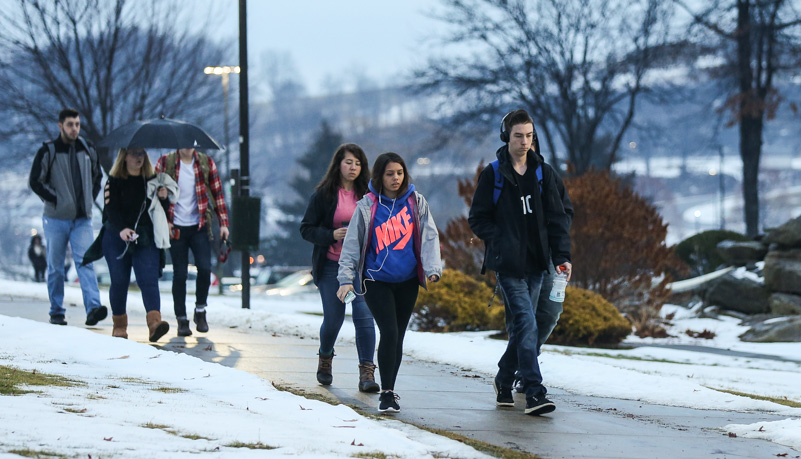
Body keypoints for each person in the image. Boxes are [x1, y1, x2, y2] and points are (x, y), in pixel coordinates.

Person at [468, 109, 572, 416]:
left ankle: (503, 377)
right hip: (508, 265)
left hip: (537, 263)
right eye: (518, 136)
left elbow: (558, 220)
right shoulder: (494, 174)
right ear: (506, 137)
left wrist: (562, 257)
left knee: (526, 326)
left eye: (529, 136)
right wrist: (499, 238)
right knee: (526, 323)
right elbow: (477, 218)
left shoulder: (544, 173)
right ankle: (534, 390)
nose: (524, 142)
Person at [337, 152, 442, 413]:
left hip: (407, 280)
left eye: (399, 173)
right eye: (389, 174)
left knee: (398, 337)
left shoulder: (416, 202)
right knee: (390, 332)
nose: (396, 178)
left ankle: (391, 390)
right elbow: (352, 246)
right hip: (376, 280)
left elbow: (430, 236)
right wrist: (345, 279)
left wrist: (432, 268)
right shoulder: (367, 206)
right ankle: (385, 393)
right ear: (379, 177)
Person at [300, 143, 379, 393]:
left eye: (357, 163)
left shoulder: (370, 195)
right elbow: (306, 228)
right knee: (333, 319)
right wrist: (332, 234)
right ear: (338, 165)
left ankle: (367, 371)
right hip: (331, 266)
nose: (353, 167)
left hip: (361, 268)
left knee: (364, 317)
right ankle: (325, 357)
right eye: (348, 162)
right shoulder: (323, 195)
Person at [29, 108, 106, 327]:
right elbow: (35, 181)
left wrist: (89, 200)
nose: (75, 128)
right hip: (56, 219)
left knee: (85, 262)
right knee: (55, 266)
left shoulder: (87, 149)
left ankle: (93, 308)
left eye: (77, 124)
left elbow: (97, 176)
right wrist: (55, 199)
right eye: (70, 124)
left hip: (82, 219)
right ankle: (56, 311)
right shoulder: (49, 151)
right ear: (60, 125)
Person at [155, 148, 229, 337]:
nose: (187, 146)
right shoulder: (165, 163)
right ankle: (181, 319)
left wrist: (223, 224)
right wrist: (165, 220)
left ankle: (200, 311)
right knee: (180, 273)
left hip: (199, 225)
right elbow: (153, 195)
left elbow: (218, 194)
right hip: (176, 227)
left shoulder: (205, 163)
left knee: (204, 268)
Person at [102, 148, 171, 341]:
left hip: (145, 236)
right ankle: (119, 326)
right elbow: (110, 209)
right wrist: (122, 229)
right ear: (124, 156)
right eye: (134, 154)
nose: (139, 157)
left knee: (148, 279)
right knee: (119, 281)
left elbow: (159, 211)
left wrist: (164, 198)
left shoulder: (152, 180)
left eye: (142, 153)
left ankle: (155, 324)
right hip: (116, 236)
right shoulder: (113, 181)